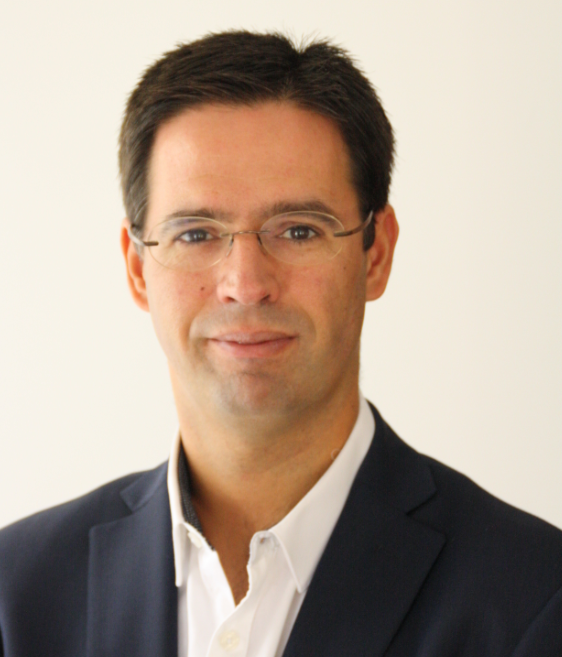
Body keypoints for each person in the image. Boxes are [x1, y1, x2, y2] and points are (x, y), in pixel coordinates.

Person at [0, 30, 561, 657]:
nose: (245, 284)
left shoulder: (535, 599)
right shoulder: (14, 595)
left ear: (375, 253)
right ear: (137, 269)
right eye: (196, 234)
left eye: (298, 230)